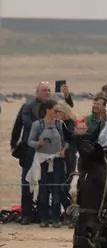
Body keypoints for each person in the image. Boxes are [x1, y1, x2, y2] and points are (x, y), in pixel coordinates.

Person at [9, 82, 51, 223]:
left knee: (44, 182)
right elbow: (21, 124)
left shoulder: (52, 106)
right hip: (30, 150)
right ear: (37, 92)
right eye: (44, 90)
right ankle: (26, 214)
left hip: (47, 150)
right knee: (27, 181)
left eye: (49, 90)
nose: (47, 93)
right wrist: (13, 143)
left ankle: (42, 214)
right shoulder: (28, 106)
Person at [27, 100, 71, 227]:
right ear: (47, 110)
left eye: (58, 111)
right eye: (55, 110)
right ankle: (44, 219)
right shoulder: (38, 124)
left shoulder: (60, 124)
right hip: (42, 161)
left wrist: (63, 150)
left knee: (57, 189)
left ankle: (56, 219)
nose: (57, 113)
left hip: (57, 161)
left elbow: (66, 141)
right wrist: (38, 144)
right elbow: (30, 141)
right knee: (43, 190)